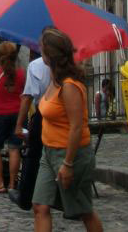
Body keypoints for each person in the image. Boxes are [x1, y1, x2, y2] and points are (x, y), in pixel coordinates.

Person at [32, 28, 103, 232]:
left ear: (50, 55)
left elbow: (76, 127)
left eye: (42, 48)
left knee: (83, 210)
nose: (39, 51)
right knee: (40, 206)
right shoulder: (54, 81)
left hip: (72, 155)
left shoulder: (70, 86)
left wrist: (68, 163)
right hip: (49, 153)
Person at [10, 44, 52, 209]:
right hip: (64, 116)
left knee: (33, 155)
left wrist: (19, 125)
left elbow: (27, 97)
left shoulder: (36, 66)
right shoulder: (69, 64)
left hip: (43, 113)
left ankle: (25, 196)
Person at [0, 40, 25, 194]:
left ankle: (0, 182)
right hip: (18, 115)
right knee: (14, 149)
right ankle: (13, 185)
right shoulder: (21, 73)